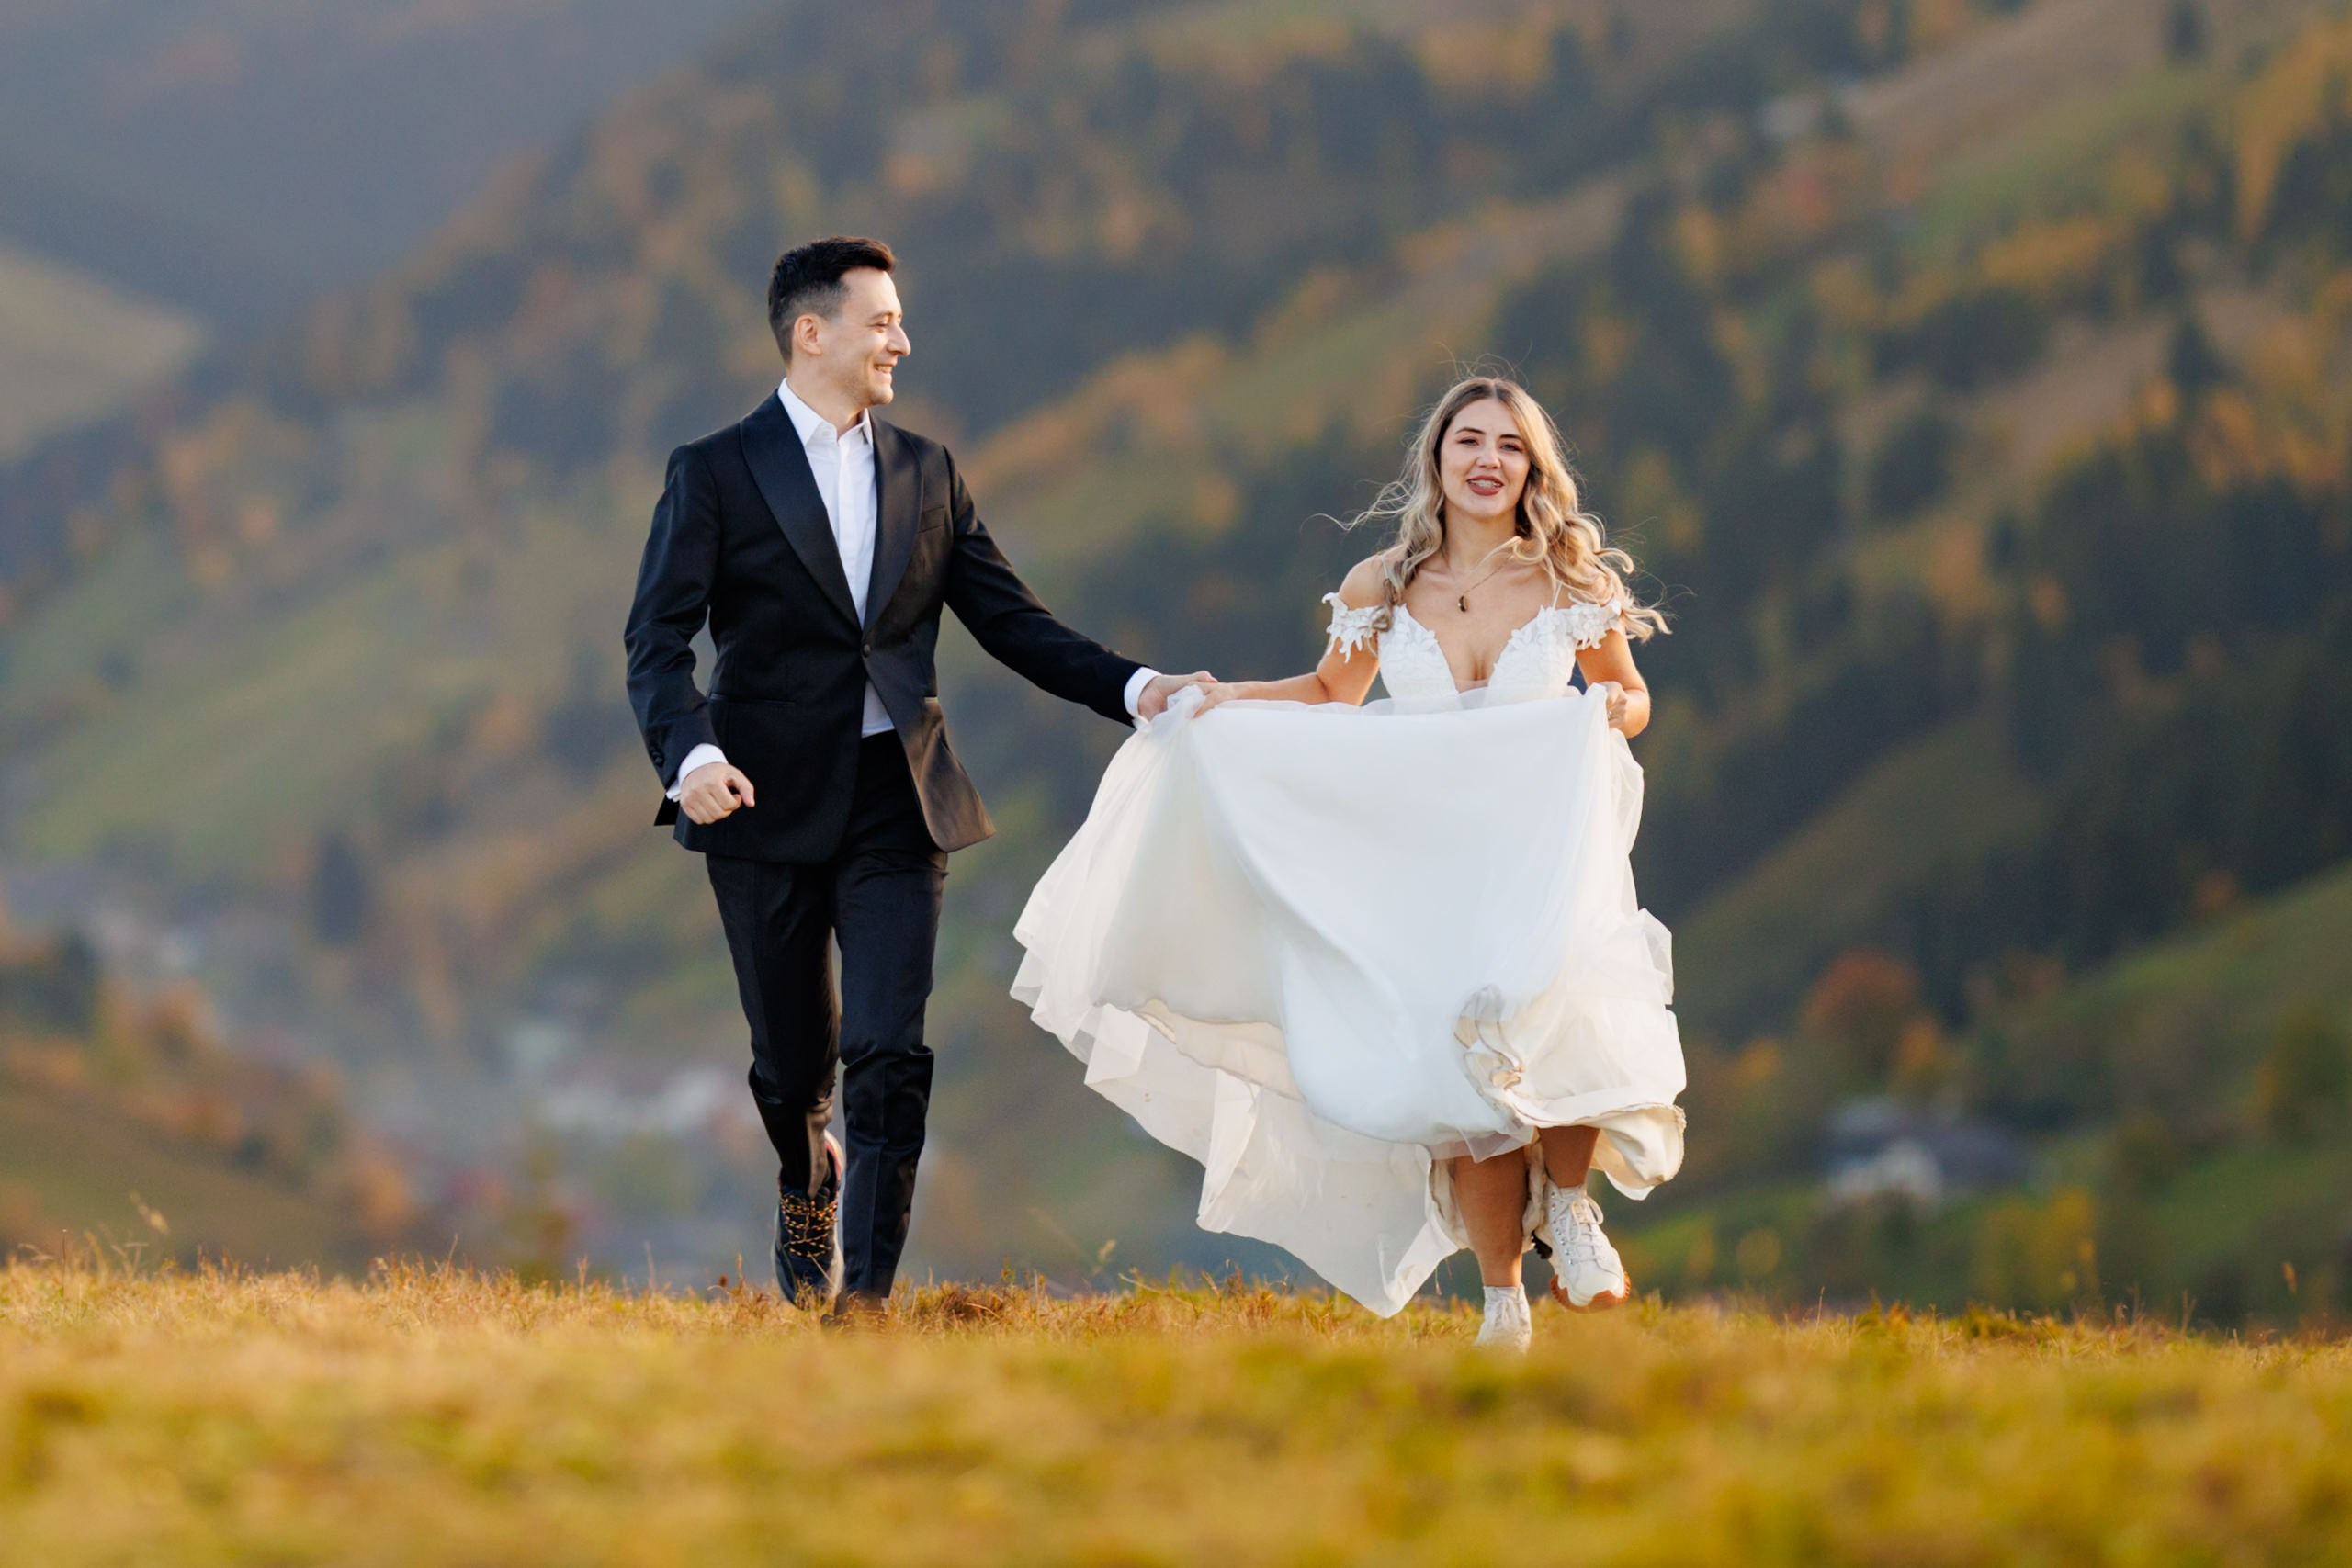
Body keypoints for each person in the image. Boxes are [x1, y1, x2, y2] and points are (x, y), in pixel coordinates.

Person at [1012, 374, 1685, 1351]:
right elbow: (1335, 692)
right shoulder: (1383, 584)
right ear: (1438, 458)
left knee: (1565, 1004)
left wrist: (1612, 710)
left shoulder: (1566, 581)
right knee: (1460, 1085)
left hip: (1537, 844)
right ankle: (1503, 1303)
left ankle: (1572, 1208)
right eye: (1469, 441)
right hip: (1422, 864)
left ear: (1533, 469)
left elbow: (1632, 693)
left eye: (1509, 445)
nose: (1488, 460)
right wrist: (1228, 702)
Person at [624, 235, 1209, 1314]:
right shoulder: (713, 471)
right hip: (758, 804)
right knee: (792, 1068)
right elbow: (655, 642)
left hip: (900, 799)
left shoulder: (926, 471)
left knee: (888, 1049)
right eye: (883, 321)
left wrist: (1139, 690)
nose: (902, 340)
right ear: (812, 333)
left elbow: (1013, 622)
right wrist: (692, 755)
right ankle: (808, 1175)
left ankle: (866, 1306)